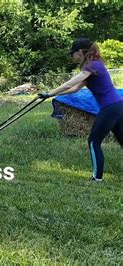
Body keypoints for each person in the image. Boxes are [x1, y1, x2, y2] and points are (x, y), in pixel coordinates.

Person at [38, 38, 123, 182]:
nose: (72, 56)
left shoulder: (91, 66)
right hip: (118, 106)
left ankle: (97, 178)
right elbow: (75, 88)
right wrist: (51, 95)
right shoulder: (93, 66)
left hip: (110, 108)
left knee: (93, 142)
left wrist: (50, 92)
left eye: (73, 53)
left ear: (80, 52)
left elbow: (70, 83)